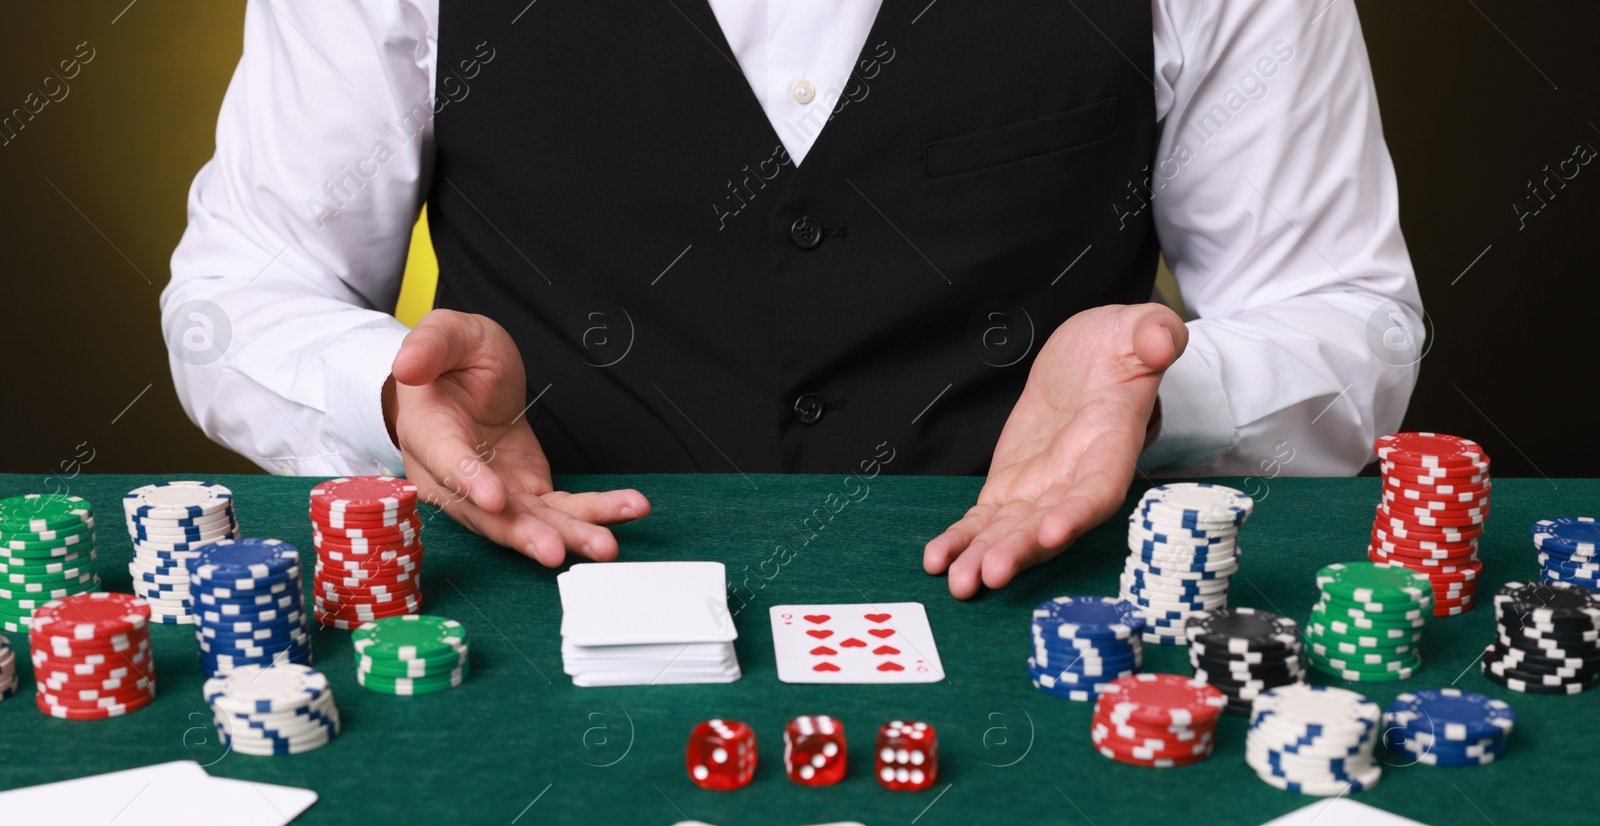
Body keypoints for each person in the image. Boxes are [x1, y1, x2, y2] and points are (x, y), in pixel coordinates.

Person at [161, 0, 1422, 599]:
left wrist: (1163, 394)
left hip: (1037, 635)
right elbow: (239, 294)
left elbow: (1345, 313)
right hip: (531, 628)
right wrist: (388, 393)